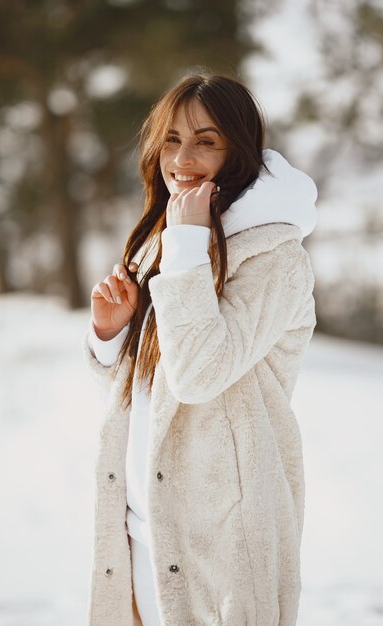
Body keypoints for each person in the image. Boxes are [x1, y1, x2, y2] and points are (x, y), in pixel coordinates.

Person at [83, 71, 318, 626]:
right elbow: (152, 397)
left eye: (205, 140)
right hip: (139, 530)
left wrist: (186, 246)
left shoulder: (274, 259)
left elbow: (198, 375)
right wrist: (110, 336)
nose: (181, 157)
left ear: (238, 150)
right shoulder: (169, 238)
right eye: (171, 138)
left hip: (222, 541)